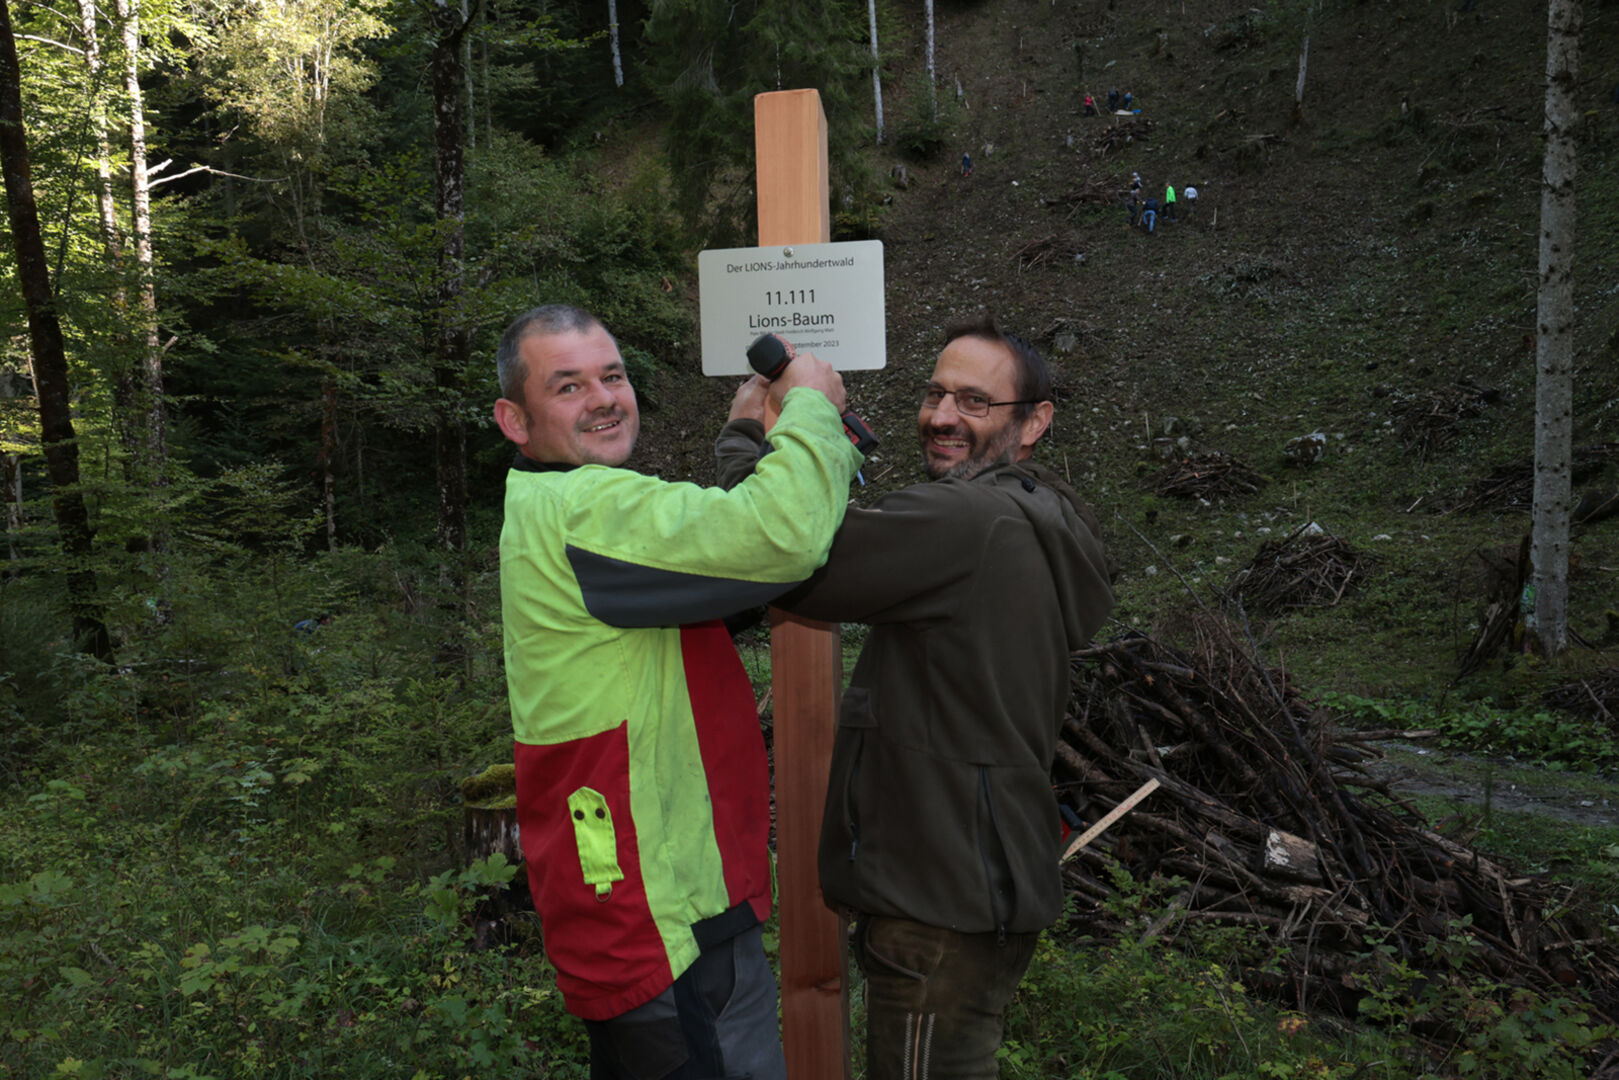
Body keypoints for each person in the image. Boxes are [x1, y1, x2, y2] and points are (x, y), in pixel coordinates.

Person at [716, 315, 1115, 1080]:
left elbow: (777, 550)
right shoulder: (1033, 513)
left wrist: (744, 436)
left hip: (942, 899)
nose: (939, 417)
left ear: (1033, 423)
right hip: (973, 879)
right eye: (934, 394)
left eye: (973, 402)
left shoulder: (968, 520)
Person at [494, 304, 864, 1080]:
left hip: (670, 883)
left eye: (612, 376)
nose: (601, 398)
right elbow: (784, 538)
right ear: (514, 421)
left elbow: (725, 588)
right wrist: (809, 404)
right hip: (654, 909)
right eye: (567, 386)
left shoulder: (577, 507)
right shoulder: (585, 508)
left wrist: (750, 435)